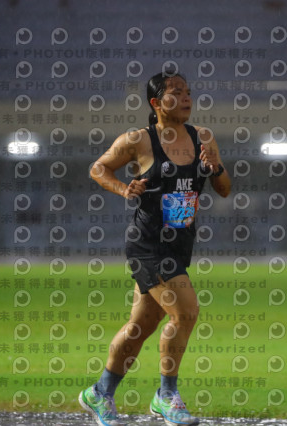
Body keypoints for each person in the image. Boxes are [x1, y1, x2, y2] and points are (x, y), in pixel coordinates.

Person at [79, 70, 231, 426]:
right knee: (186, 312)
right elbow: (98, 168)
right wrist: (124, 188)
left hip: (179, 246)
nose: (186, 98)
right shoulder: (138, 140)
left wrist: (215, 168)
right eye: (176, 92)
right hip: (147, 245)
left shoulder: (203, 137)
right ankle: (166, 396)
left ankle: (99, 392)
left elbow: (224, 188)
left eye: (188, 91)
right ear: (156, 102)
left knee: (140, 326)